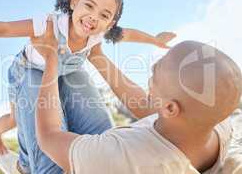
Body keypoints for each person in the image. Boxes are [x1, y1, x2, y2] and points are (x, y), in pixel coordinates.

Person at [0, 0, 175, 173]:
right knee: (15, 118)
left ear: (109, 24)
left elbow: (130, 34)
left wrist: (155, 40)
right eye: (89, 6)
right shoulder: (49, 24)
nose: (93, 18)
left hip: (67, 70)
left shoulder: (97, 36)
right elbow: (5, 28)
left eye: (104, 16)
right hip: (29, 69)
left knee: (74, 102)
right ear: (74, 2)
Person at [35, 20, 242, 174]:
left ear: (171, 108)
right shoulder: (214, 122)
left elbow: (49, 137)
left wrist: (51, 59)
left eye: (157, 70)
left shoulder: (128, 158)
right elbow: (147, 107)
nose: (152, 67)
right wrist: (97, 57)